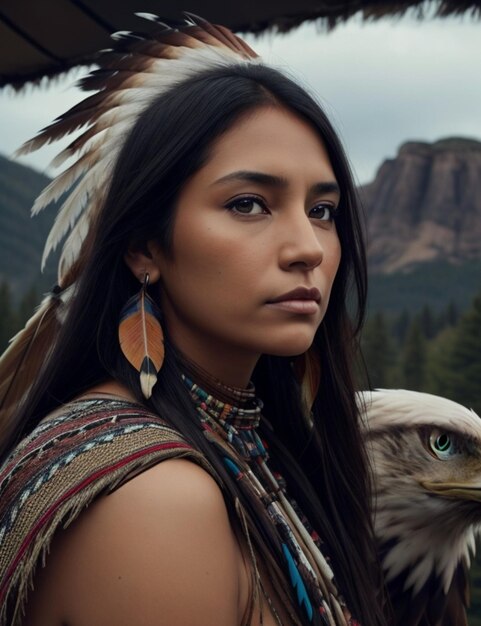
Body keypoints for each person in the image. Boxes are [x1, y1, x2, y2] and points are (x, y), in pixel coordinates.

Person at [0, 15, 388, 626]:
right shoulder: (157, 501)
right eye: (247, 204)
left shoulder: (243, 442)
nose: (308, 248)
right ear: (143, 247)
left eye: (322, 210)